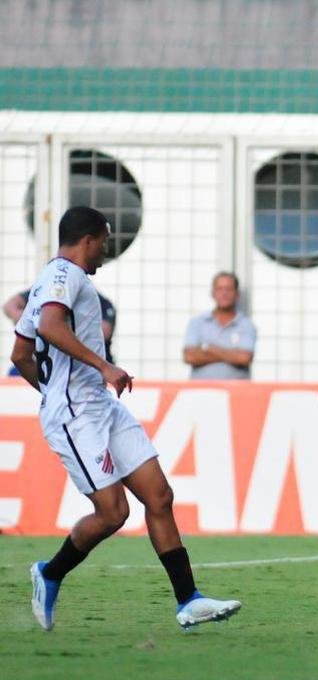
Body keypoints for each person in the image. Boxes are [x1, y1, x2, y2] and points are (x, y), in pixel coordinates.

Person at [11, 207, 241, 632]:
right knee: (113, 512)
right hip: (78, 416)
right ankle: (50, 572)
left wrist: (59, 388)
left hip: (98, 406)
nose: (106, 251)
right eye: (105, 242)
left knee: (159, 496)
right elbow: (49, 327)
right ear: (89, 240)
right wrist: (97, 372)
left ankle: (188, 601)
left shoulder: (48, 279)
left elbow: (20, 354)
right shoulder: (66, 277)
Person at [6, 286, 117, 371]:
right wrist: (36, 321)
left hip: (85, 369)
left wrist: (55, 325)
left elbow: (102, 332)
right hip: (45, 365)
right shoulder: (46, 291)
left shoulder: (99, 302)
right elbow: (10, 306)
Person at [182, 271, 256, 379]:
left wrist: (209, 349)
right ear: (212, 293)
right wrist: (231, 355)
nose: (224, 293)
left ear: (237, 294)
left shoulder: (246, 325)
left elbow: (244, 358)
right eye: (220, 289)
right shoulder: (197, 322)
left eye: (229, 289)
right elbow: (189, 357)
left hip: (237, 393)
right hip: (201, 392)